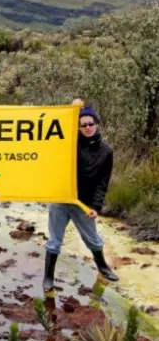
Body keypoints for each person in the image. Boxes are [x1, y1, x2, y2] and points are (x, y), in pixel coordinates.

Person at [43, 102, 118, 291]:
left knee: (92, 238)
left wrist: (96, 206)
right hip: (61, 199)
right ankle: (48, 277)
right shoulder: (69, 144)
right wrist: (72, 108)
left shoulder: (106, 152)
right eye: (83, 125)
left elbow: (103, 182)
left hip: (83, 203)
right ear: (78, 127)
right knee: (54, 240)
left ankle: (103, 267)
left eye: (90, 124)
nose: (87, 128)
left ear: (97, 124)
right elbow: (53, 137)